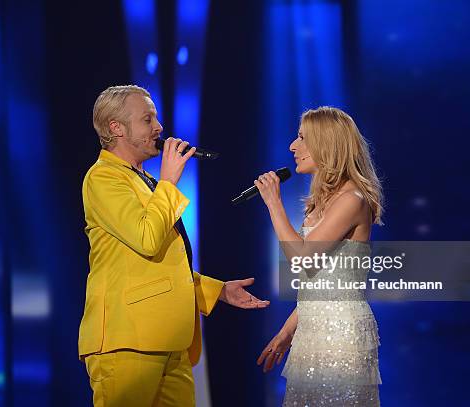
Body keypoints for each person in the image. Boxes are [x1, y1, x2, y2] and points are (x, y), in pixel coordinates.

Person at [79, 85, 269, 407]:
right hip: (129, 343)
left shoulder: (145, 181)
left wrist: (217, 290)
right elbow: (147, 239)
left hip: (171, 341)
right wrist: (168, 182)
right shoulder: (103, 178)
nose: (159, 127)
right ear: (116, 128)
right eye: (148, 119)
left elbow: (161, 264)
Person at [254, 106, 384, 406]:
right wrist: (287, 331)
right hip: (310, 334)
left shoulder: (352, 200)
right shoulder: (321, 204)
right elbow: (322, 285)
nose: (292, 146)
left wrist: (274, 202)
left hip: (340, 336)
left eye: (302, 138)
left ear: (327, 144)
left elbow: (302, 258)